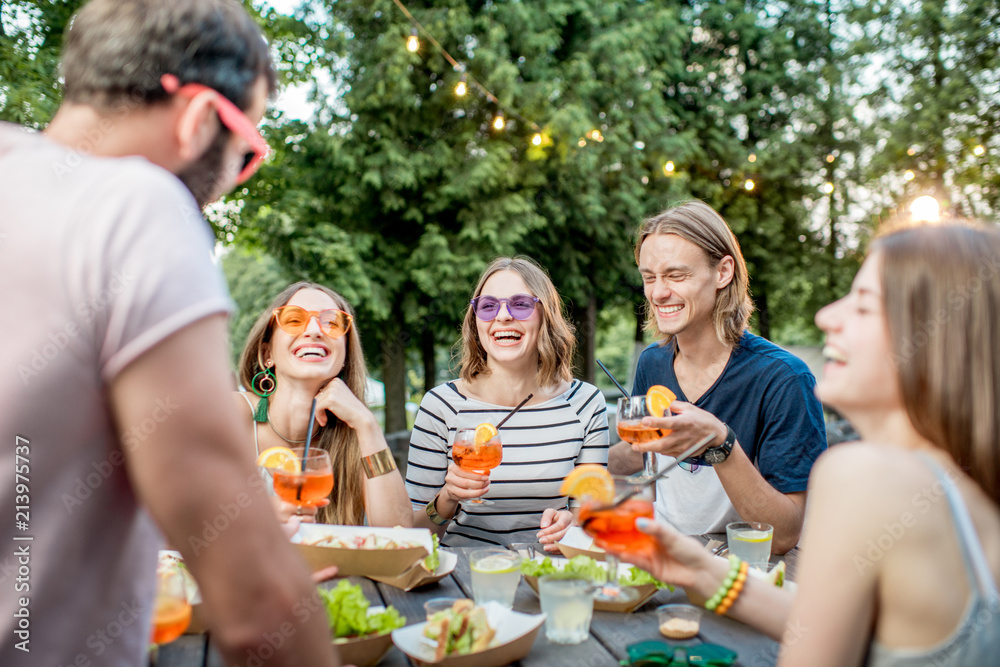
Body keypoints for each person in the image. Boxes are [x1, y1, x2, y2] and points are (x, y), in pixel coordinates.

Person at [0, 1, 338, 665]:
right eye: (245, 156)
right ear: (198, 120)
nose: (227, 189)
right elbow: (259, 604)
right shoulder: (137, 204)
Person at [611, 221, 1000, 666]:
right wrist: (701, 570)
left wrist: (720, 445)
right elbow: (834, 624)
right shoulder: (962, 493)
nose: (826, 316)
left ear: (940, 337)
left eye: (865, 305)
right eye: (649, 277)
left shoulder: (867, 474)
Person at [608, 200, 827, 553]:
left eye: (676, 275)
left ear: (723, 272)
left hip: (750, 570)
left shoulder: (784, 379)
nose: (658, 292)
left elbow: (783, 536)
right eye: (649, 277)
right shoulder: (653, 363)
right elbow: (646, 472)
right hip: (664, 559)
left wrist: (719, 443)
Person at [407, 257, 609, 549]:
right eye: (488, 306)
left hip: (551, 578)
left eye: (520, 304)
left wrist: (573, 526)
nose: (502, 316)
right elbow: (412, 538)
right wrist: (447, 499)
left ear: (545, 316)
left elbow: (590, 521)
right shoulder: (441, 406)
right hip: (465, 580)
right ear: (476, 322)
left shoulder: (586, 403)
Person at [237, 282, 412, 527]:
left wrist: (367, 425)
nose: (314, 330)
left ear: (344, 357)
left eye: (331, 323)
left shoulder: (353, 436)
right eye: (294, 319)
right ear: (268, 354)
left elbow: (399, 533)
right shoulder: (230, 414)